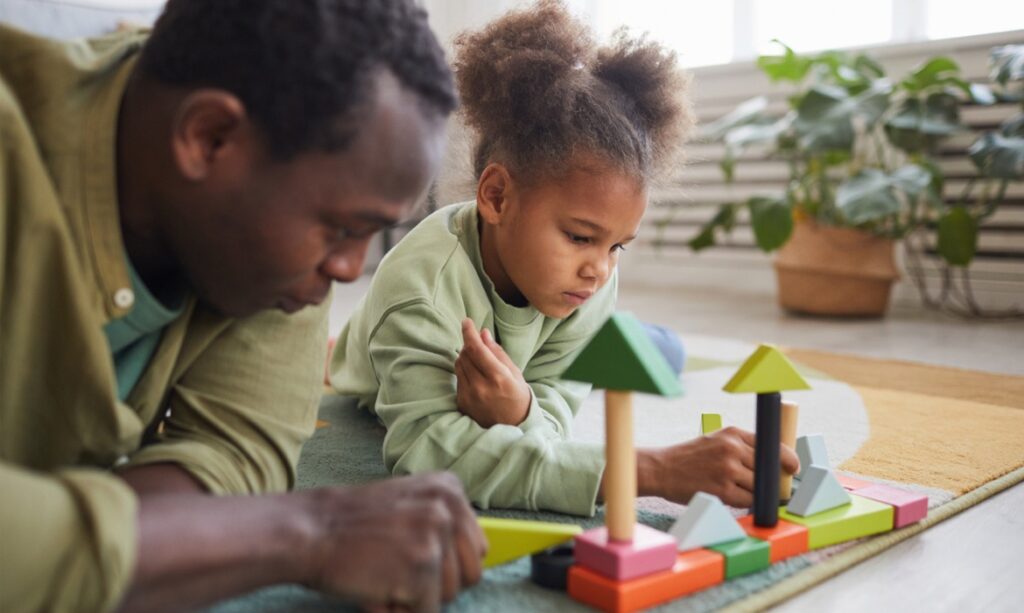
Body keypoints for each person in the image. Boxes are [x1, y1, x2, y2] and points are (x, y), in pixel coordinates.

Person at [0, 1, 485, 611]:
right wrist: (312, 532)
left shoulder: (271, 260)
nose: (348, 269)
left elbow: (237, 458)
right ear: (209, 137)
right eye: (342, 227)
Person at [329, 0, 800, 518]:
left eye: (617, 245)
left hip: (543, 342)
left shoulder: (591, 278)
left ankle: (643, 340)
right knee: (630, 355)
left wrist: (523, 408)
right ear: (498, 197)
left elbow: (551, 424)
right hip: (386, 360)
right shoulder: (420, 292)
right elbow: (431, 455)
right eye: (579, 237)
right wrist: (654, 470)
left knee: (662, 356)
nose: (600, 269)